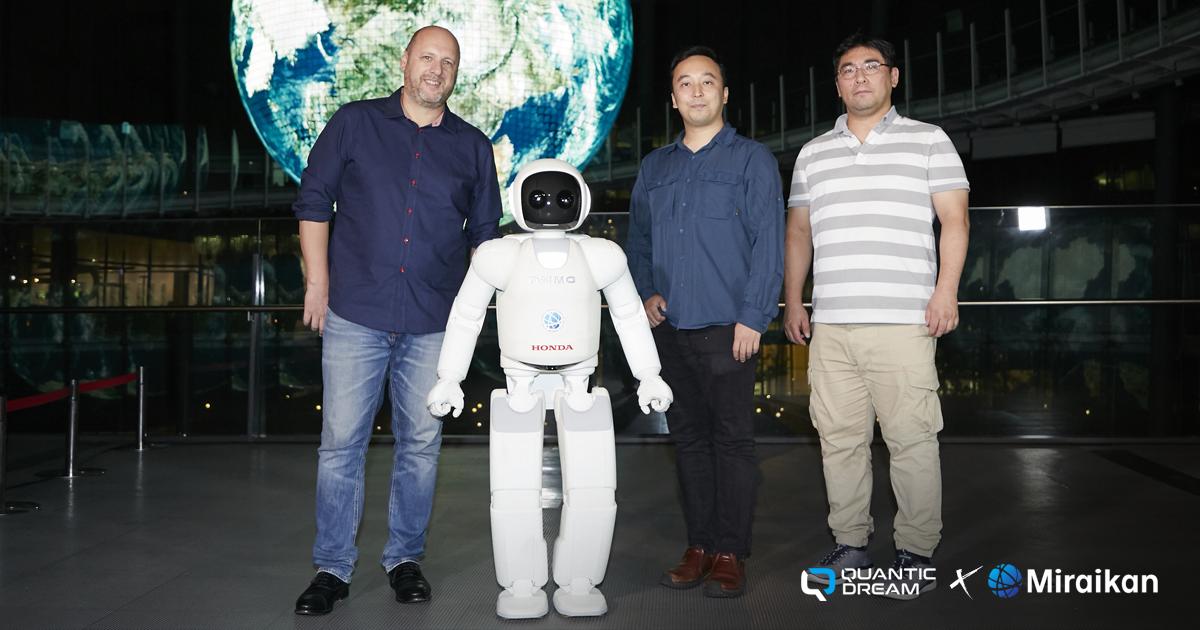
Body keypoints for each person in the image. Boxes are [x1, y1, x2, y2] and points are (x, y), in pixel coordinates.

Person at [290, 25, 502, 615]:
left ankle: (405, 559)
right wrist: (317, 282)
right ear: (405, 61)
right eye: (427, 57)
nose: (436, 70)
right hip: (355, 313)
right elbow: (313, 201)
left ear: (456, 74)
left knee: (421, 446)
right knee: (341, 446)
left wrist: (474, 317)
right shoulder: (354, 123)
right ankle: (331, 569)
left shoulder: (473, 147)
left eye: (448, 62)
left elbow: (486, 239)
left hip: (434, 322)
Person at [782, 32, 970, 599]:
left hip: (904, 321)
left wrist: (946, 292)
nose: (859, 76)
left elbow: (955, 221)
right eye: (848, 69)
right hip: (832, 324)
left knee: (912, 440)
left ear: (893, 77)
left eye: (871, 66)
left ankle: (915, 550)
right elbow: (798, 233)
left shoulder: (929, 140)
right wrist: (794, 299)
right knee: (839, 440)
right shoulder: (813, 153)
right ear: (837, 84)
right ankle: (850, 542)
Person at [625, 45, 784, 599]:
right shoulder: (655, 167)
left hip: (729, 330)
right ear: (673, 99)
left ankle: (730, 552)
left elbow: (769, 243)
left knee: (732, 442)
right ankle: (699, 546)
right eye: (685, 83)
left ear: (724, 93)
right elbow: (638, 241)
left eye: (707, 81)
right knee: (689, 441)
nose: (696, 91)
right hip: (671, 330)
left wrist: (754, 317)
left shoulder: (752, 161)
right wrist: (645, 291)